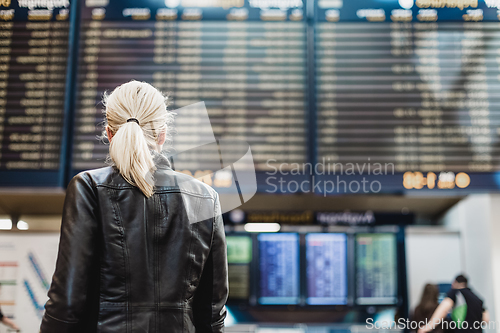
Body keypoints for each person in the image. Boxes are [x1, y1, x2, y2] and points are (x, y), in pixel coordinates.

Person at [40, 81, 229, 333]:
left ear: (109, 133)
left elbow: (67, 301)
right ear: (162, 135)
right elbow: (212, 312)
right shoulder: (205, 196)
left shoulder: (89, 187)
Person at [418, 275, 489, 333]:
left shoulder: (457, 292)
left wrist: (429, 326)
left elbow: (444, 307)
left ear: (455, 282)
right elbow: (486, 319)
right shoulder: (477, 298)